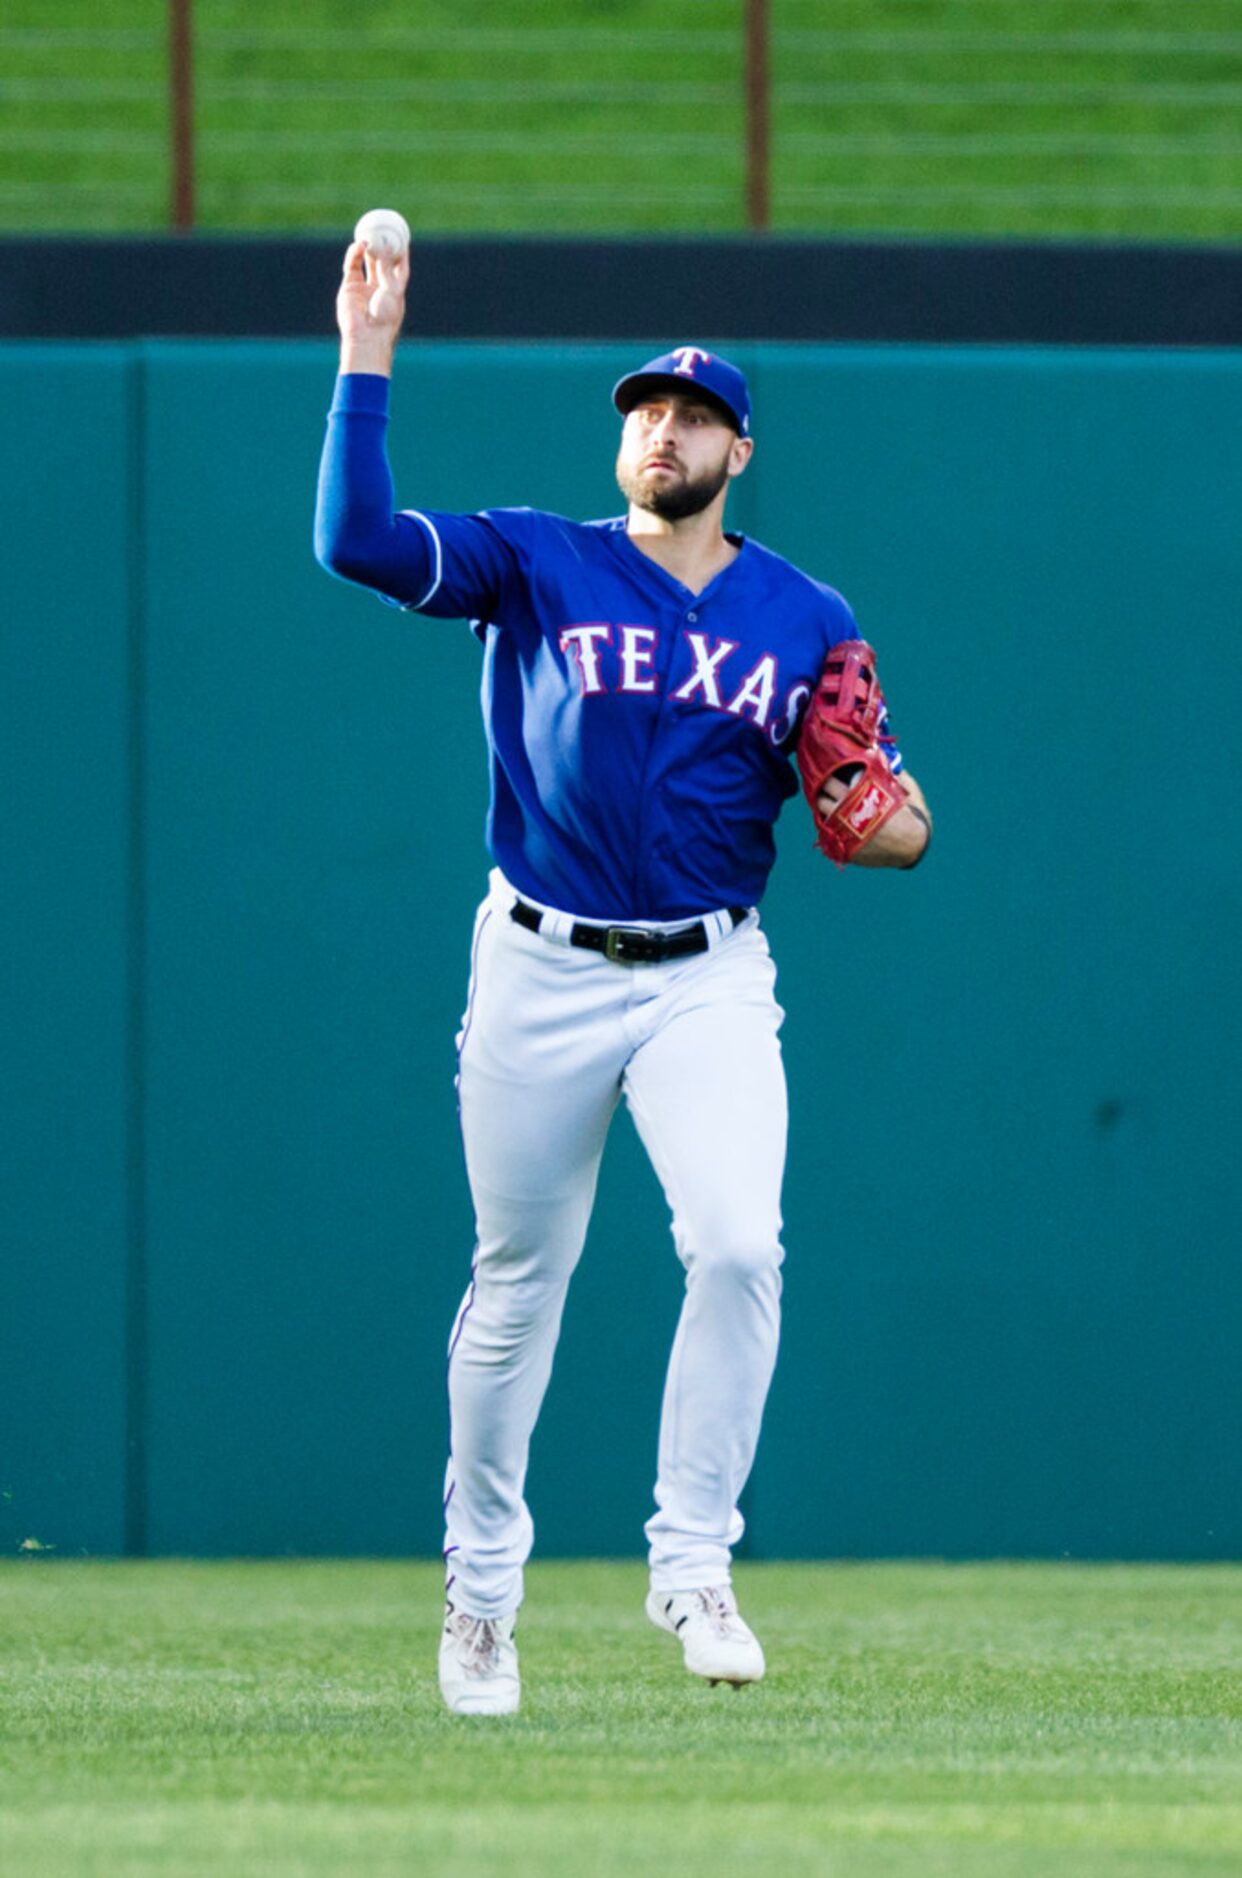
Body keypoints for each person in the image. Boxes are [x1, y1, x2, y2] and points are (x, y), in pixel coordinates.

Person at [314, 237, 932, 1718]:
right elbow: (357, 543)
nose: (662, 426)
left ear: (737, 449)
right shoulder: (538, 557)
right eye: (644, 408)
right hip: (539, 960)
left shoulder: (804, 614)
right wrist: (363, 355)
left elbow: (876, 804)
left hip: (708, 973)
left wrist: (894, 813)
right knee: (519, 1280)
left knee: (735, 1243)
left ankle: (694, 1560)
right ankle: (478, 1600)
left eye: (692, 412)